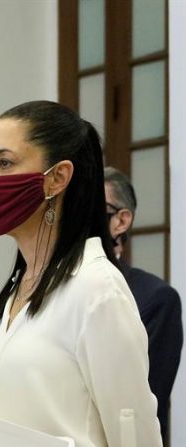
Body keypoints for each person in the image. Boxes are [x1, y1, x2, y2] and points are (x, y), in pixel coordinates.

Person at [0, 100, 161, 447]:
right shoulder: (21, 286)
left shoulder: (96, 288)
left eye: (4, 162)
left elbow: (134, 432)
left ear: (57, 178)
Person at [104, 166, 183, 440]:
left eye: (92, 207)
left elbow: (143, 405)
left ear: (121, 221)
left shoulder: (155, 298)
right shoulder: (58, 288)